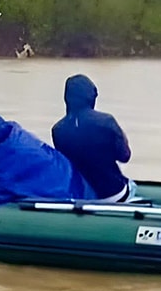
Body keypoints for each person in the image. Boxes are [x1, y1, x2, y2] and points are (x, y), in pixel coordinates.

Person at [0, 112, 95, 206]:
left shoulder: (9, 155)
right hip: (79, 186)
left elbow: (8, 187)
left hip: (64, 193)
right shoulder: (20, 136)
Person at [51, 74, 136, 202]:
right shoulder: (107, 121)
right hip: (114, 193)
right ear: (91, 96)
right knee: (132, 186)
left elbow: (66, 165)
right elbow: (125, 156)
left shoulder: (57, 130)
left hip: (81, 195)